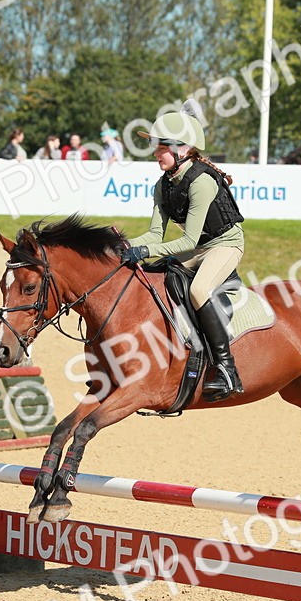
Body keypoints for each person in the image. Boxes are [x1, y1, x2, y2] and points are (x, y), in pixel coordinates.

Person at [119, 100, 246, 402]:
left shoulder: (201, 181)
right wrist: (123, 247)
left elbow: (187, 240)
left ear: (182, 149)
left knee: (199, 290)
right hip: (198, 247)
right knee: (151, 277)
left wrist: (144, 249)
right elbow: (154, 234)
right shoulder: (163, 185)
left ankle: (227, 368)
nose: (155, 152)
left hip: (225, 245)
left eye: (161, 146)